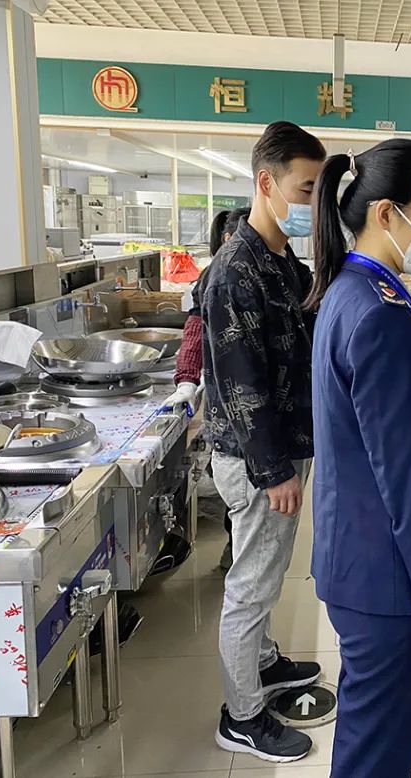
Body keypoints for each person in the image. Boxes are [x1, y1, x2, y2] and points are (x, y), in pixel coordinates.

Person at [306, 140, 411, 778]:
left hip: (361, 562)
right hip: (389, 581)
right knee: (376, 756)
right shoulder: (379, 316)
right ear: (386, 213)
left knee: (371, 743)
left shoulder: (353, 292)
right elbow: (410, 482)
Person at [200, 122, 326, 763]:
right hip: (257, 458)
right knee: (250, 583)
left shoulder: (281, 262)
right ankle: (241, 714)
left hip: (282, 445)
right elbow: (240, 383)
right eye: (305, 189)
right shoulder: (235, 272)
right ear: (266, 182)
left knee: (268, 571)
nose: (311, 203)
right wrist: (274, 470)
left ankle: (266, 662)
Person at [164, 206, 250, 571]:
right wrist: (186, 381)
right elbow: (194, 333)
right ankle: (235, 551)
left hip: (248, 412)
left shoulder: (262, 271)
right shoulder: (218, 278)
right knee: (239, 488)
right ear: (230, 239)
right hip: (230, 412)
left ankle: (236, 549)